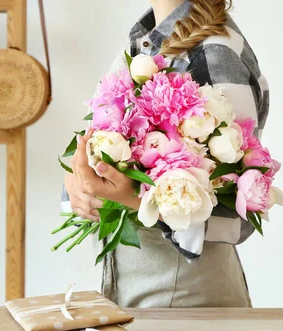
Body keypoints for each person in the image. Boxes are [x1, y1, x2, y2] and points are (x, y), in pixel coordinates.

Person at [62, 0, 270, 308]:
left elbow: (234, 217)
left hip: (187, 302)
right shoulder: (144, 44)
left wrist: (133, 198)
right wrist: (76, 181)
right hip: (135, 290)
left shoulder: (214, 53)